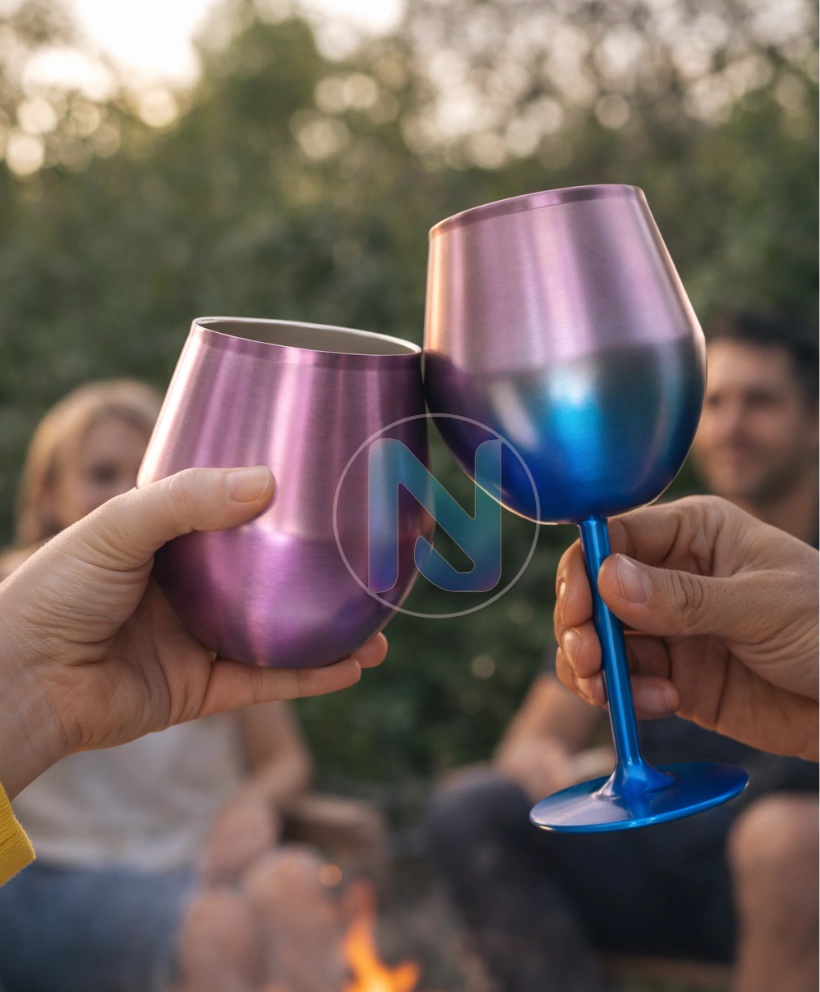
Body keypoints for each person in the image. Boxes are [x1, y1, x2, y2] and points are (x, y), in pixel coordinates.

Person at [425, 311, 819, 992]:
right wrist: (546, 760)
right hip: (655, 852)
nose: (731, 425)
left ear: (815, 423)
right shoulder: (657, 550)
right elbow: (535, 736)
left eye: (760, 402)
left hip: (785, 863)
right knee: (471, 810)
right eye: (715, 402)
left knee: (787, 840)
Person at [0, 381, 386, 992]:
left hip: (199, 859)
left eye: (146, 472)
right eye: (101, 473)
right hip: (62, 871)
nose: (127, 493)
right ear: (48, 494)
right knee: (218, 928)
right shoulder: (16, 599)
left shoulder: (218, 604)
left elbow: (283, 759)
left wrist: (255, 803)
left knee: (294, 885)